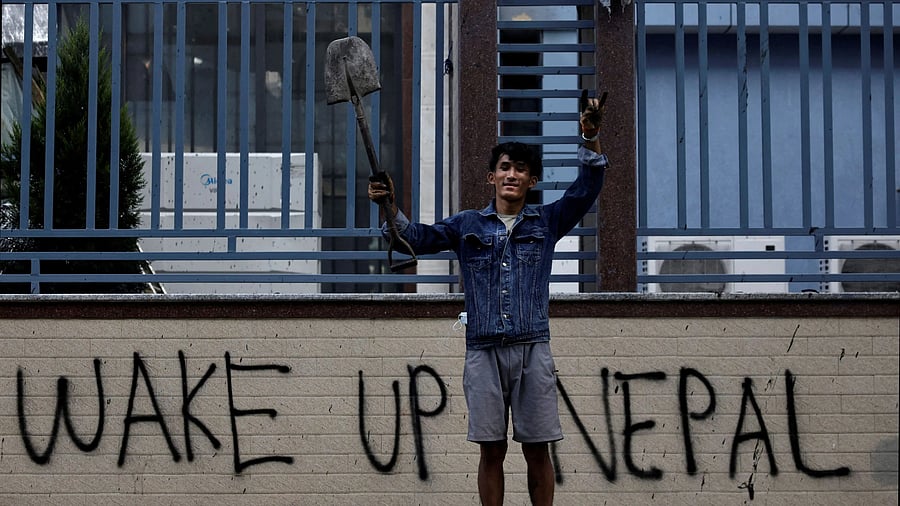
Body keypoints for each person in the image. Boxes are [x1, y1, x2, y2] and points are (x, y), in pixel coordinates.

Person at [368, 96, 609, 505]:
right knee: (491, 450)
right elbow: (416, 238)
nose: (511, 174)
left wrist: (590, 136)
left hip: (533, 349)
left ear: (531, 180)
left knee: (537, 449)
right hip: (482, 351)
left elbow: (588, 188)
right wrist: (387, 204)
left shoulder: (546, 222)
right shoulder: (467, 225)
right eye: (504, 168)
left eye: (520, 169)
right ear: (490, 178)